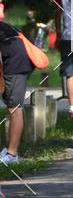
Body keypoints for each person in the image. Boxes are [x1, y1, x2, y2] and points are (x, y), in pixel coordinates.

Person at [0, 21, 35, 164]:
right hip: (12, 58)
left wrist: (1, 80)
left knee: (14, 107)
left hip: (16, 63)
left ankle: (12, 154)